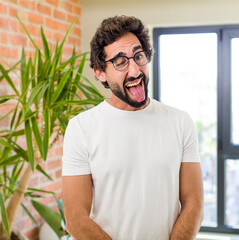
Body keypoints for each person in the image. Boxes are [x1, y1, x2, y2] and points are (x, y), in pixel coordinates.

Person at [61, 15, 204, 240]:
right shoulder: (81, 128)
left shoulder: (180, 122)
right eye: (120, 61)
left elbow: (193, 204)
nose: (135, 71)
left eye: (138, 56)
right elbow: (75, 218)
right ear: (100, 72)